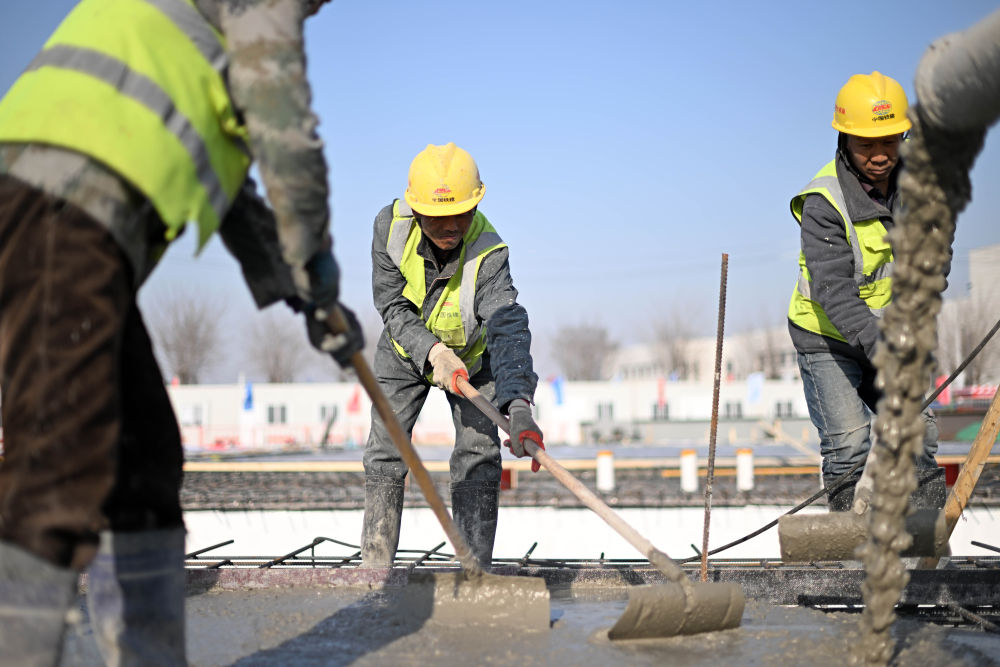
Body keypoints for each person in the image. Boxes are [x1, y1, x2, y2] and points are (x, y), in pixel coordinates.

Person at [0, 1, 363, 664]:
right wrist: (313, 260)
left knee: (146, 463)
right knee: (57, 464)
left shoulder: (198, 31)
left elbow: (238, 199)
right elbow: (284, 126)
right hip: (59, 199)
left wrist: (302, 289)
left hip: (65, 209)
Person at [362, 143, 542, 569]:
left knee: (479, 456)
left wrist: (517, 404)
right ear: (416, 207)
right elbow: (391, 305)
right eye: (438, 216)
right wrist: (432, 351)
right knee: (386, 450)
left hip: (474, 360)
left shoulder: (490, 250)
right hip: (404, 353)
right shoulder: (389, 228)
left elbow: (507, 326)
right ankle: (375, 573)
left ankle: (474, 574)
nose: (450, 225)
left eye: (460, 213)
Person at [787, 71, 945, 512]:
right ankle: (847, 555)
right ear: (844, 142)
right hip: (827, 337)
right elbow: (834, 290)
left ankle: (926, 543)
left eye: (889, 143)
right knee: (850, 443)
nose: (880, 156)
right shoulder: (824, 203)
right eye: (866, 145)